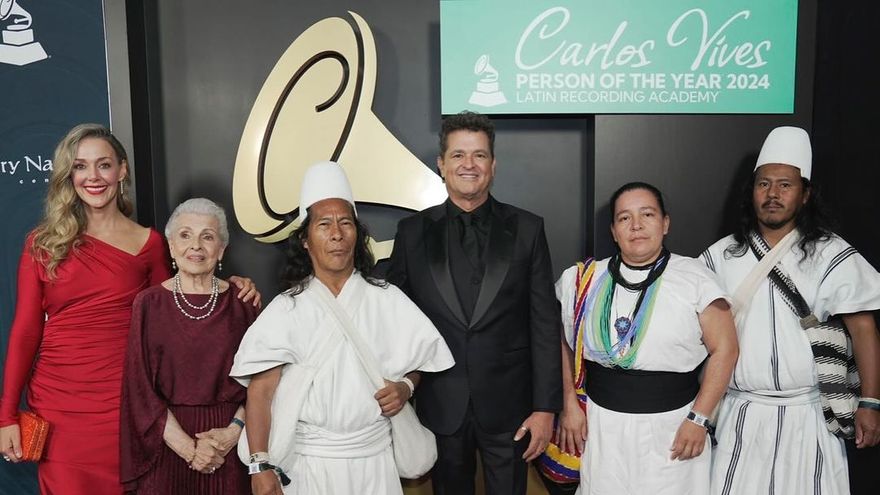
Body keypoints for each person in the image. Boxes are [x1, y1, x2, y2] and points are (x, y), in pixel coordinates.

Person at [0, 124, 259, 494]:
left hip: (124, 406)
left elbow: (175, 311)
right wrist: (7, 415)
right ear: (68, 175)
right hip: (59, 410)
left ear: (122, 170)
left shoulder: (149, 244)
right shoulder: (41, 244)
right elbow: (25, 332)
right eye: (80, 166)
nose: (93, 176)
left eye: (104, 165)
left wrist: (230, 286)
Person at [230, 161, 454, 495]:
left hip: (374, 462)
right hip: (308, 464)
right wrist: (259, 465)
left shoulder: (387, 299)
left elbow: (419, 360)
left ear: (357, 234)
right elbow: (260, 392)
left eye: (345, 223)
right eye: (324, 224)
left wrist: (406, 387)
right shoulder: (287, 309)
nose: (336, 234)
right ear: (305, 240)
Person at [387, 110, 562, 495]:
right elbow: (394, 317)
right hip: (440, 404)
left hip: (511, 407)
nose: (469, 164)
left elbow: (545, 323)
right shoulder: (412, 232)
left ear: (493, 165)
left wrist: (546, 408)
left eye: (479, 155)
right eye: (458, 155)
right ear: (441, 164)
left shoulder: (528, 229)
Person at [702, 126, 880, 495]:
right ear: (752, 191)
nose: (773, 194)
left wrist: (870, 402)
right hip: (741, 415)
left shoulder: (830, 253)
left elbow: (864, 330)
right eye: (764, 184)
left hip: (809, 416)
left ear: (805, 194)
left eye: (785, 185)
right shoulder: (721, 256)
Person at [553, 182, 738, 495]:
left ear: (665, 223)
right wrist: (569, 405)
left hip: (674, 427)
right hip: (601, 424)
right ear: (614, 231)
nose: (636, 225)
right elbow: (561, 343)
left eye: (647, 214)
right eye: (624, 218)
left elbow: (726, 349)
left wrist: (699, 419)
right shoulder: (582, 279)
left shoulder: (696, 278)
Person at [119, 198, 258, 493]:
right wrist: (188, 448)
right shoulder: (149, 304)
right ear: (171, 246)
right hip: (166, 444)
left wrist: (233, 433)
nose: (196, 245)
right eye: (185, 235)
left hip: (229, 447)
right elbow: (139, 389)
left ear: (221, 249)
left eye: (207, 236)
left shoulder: (244, 302)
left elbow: (262, 383)